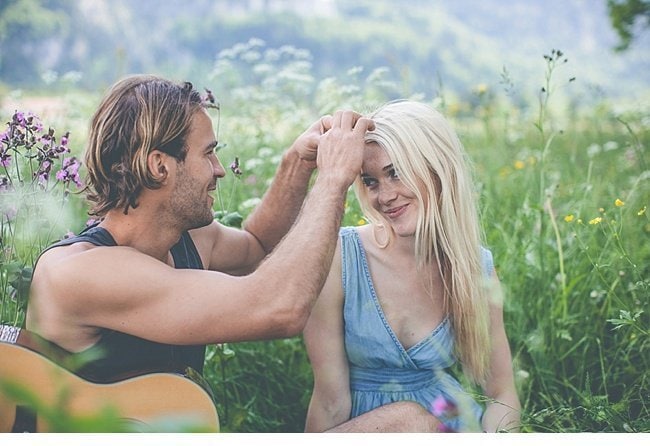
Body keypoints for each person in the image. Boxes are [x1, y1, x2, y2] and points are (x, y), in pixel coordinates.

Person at [24, 75, 439, 432]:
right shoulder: (82, 274)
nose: (220, 169)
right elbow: (281, 308)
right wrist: (333, 179)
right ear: (159, 166)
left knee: (411, 422)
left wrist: (298, 163)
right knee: (411, 424)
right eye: (208, 152)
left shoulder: (187, 240)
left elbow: (257, 246)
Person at [303, 100, 522, 433]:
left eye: (396, 173)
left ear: (437, 169)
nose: (385, 196)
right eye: (371, 181)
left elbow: (502, 394)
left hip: (450, 424)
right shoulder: (339, 256)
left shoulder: (474, 266)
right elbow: (330, 401)